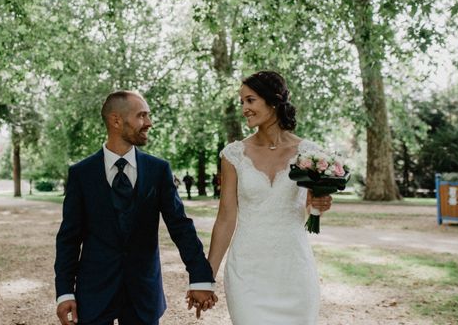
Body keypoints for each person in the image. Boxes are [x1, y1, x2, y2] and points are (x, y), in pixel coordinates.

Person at [55, 91, 217, 325]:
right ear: (116, 120)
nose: (149, 123)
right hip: (94, 292)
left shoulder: (158, 170)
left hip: (144, 292)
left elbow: (180, 227)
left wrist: (200, 278)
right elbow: (69, 238)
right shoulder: (81, 173)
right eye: (142, 116)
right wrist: (65, 292)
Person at [204, 71, 332, 325]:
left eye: (250, 100)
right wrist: (206, 278)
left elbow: (312, 203)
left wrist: (321, 203)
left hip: (294, 269)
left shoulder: (309, 153)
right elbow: (226, 219)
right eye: (242, 102)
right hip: (247, 271)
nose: (244, 109)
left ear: (273, 101)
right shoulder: (234, 155)